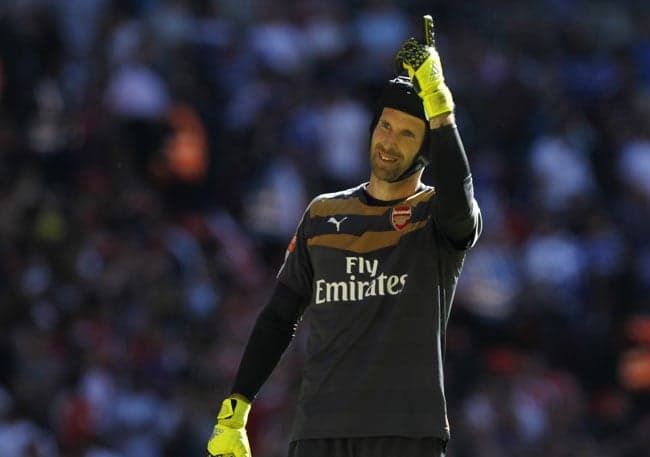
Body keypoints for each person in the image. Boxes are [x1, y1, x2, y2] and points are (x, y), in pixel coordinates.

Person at [207, 17, 482, 457]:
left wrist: (440, 108)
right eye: (385, 126)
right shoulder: (323, 213)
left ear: (426, 152)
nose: (389, 142)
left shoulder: (433, 216)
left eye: (408, 133)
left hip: (405, 431)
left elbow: (460, 206)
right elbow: (280, 315)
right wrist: (236, 407)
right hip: (319, 430)